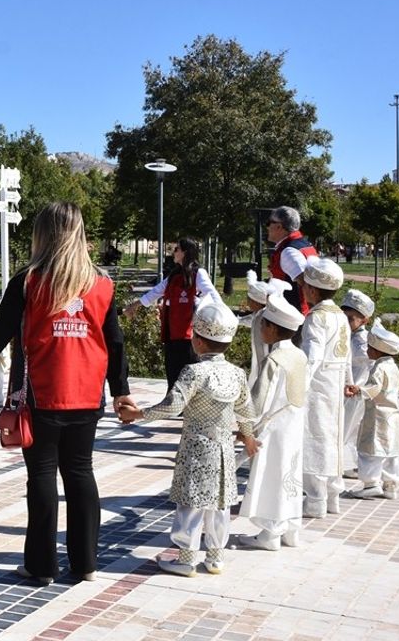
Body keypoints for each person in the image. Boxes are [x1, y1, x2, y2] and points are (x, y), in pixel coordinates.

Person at [0, 201, 132, 585]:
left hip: (40, 394)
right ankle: (86, 563)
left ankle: (41, 566)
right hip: (87, 396)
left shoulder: (29, 280)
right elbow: (115, 343)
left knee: (42, 476)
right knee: (81, 473)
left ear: (42, 234)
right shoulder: (102, 283)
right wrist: (121, 392)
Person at [117, 300, 255, 577]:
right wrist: (249, 438)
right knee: (219, 502)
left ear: (198, 342)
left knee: (191, 503)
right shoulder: (237, 373)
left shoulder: (194, 372)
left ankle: (186, 558)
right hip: (224, 448)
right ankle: (215, 557)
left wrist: (138, 414)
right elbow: (246, 411)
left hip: (196, 447)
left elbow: (172, 406)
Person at [237, 294, 309, 551]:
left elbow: (257, 402)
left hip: (273, 429)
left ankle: (270, 533)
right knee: (290, 475)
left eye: (263, 325)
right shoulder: (300, 355)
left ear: (273, 329)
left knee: (271, 477)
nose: (260, 329)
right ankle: (290, 529)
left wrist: (244, 428)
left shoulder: (273, 360)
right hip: (293, 425)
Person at [124, 238, 222, 390]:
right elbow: (155, 293)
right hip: (171, 333)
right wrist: (133, 306)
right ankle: (172, 403)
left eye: (177, 249)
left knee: (188, 371)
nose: (173, 252)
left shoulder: (198, 273)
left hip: (188, 334)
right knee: (172, 370)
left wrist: (217, 318)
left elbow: (214, 296)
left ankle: (189, 405)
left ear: (185, 252)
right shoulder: (173, 275)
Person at [298, 258, 352, 519]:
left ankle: (315, 500)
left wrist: (299, 386)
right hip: (335, 383)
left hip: (317, 386)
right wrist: (348, 379)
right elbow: (347, 352)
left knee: (314, 439)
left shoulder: (317, 318)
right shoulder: (341, 315)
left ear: (312, 290)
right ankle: (332, 497)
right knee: (332, 438)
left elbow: (312, 356)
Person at [343, 322, 399, 500]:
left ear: (377, 351)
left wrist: (358, 390)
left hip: (377, 416)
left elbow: (374, 387)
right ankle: (390, 485)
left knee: (371, 451)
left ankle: (371, 484)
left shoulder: (379, 367)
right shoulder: (393, 366)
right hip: (392, 416)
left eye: (369, 348)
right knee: (390, 452)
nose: (367, 350)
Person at [340, 289, 375, 479]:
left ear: (364, 320)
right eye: (343, 316)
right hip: (343, 388)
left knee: (348, 428)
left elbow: (365, 367)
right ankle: (347, 463)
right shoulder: (346, 335)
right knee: (345, 427)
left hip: (354, 391)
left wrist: (356, 386)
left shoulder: (363, 341)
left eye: (351, 318)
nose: (346, 322)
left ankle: (344, 464)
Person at [241, 271, 291, 391]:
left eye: (249, 300)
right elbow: (249, 320)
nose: (247, 303)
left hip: (266, 361)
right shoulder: (259, 314)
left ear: (255, 301)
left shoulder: (265, 317)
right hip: (259, 361)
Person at [266, 206, 318, 314]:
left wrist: (314, 313)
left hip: (294, 317)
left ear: (279, 226)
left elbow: (307, 284)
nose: (267, 227)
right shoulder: (302, 244)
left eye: (269, 223)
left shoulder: (289, 251)